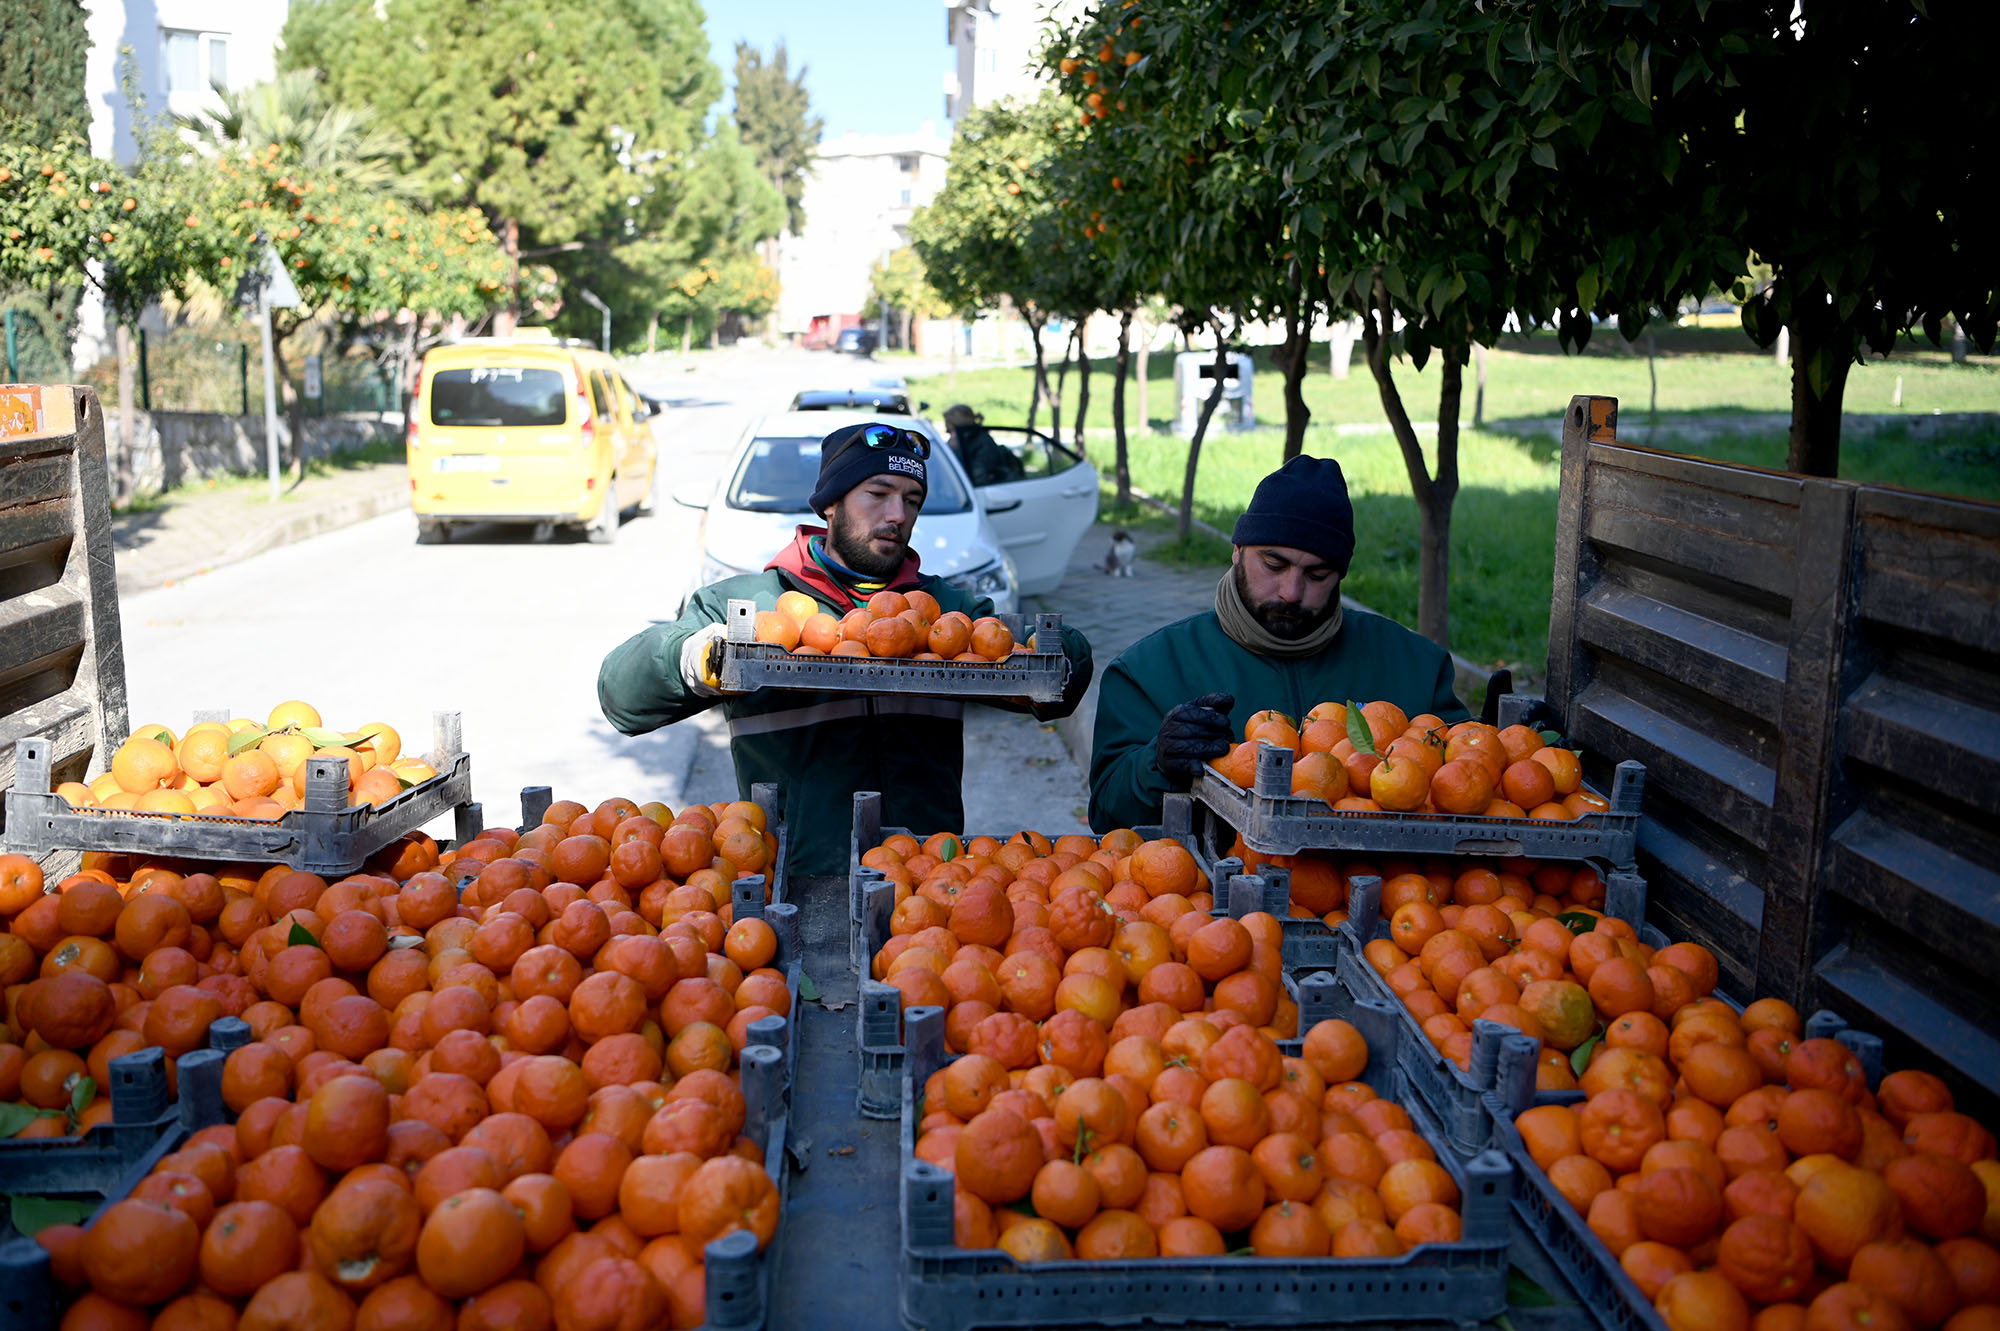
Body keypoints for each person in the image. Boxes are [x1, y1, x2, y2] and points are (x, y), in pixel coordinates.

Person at [599, 421, 1093, 877]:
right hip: (794, 878)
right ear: (830, 504)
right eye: (877, 494)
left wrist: (1056, 657)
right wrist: (693, 657)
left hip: (924, 878)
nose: (897, 515)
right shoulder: (754, 607)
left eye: (913, 500)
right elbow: (622, 695)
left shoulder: (944, 612)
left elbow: (1061, 671)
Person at [1087, 454, 1469, 831]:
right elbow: (1106, 813)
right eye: (1274, 565)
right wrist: (1157, 764)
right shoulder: (1148, 671)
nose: (1291, 592)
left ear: (1340, 576)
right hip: (1206, 889)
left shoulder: (1417, 666)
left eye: (1317, 574)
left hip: (1394, 889)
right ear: (1237, 551)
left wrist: (1514, 736)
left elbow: (1472, 778)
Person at [941, 404, 1025, 486]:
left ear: (959, 428)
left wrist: (953, 451)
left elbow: (975, 477)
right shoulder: (970, 441)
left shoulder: (983, 444)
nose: (947, 433)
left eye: (950, 431)